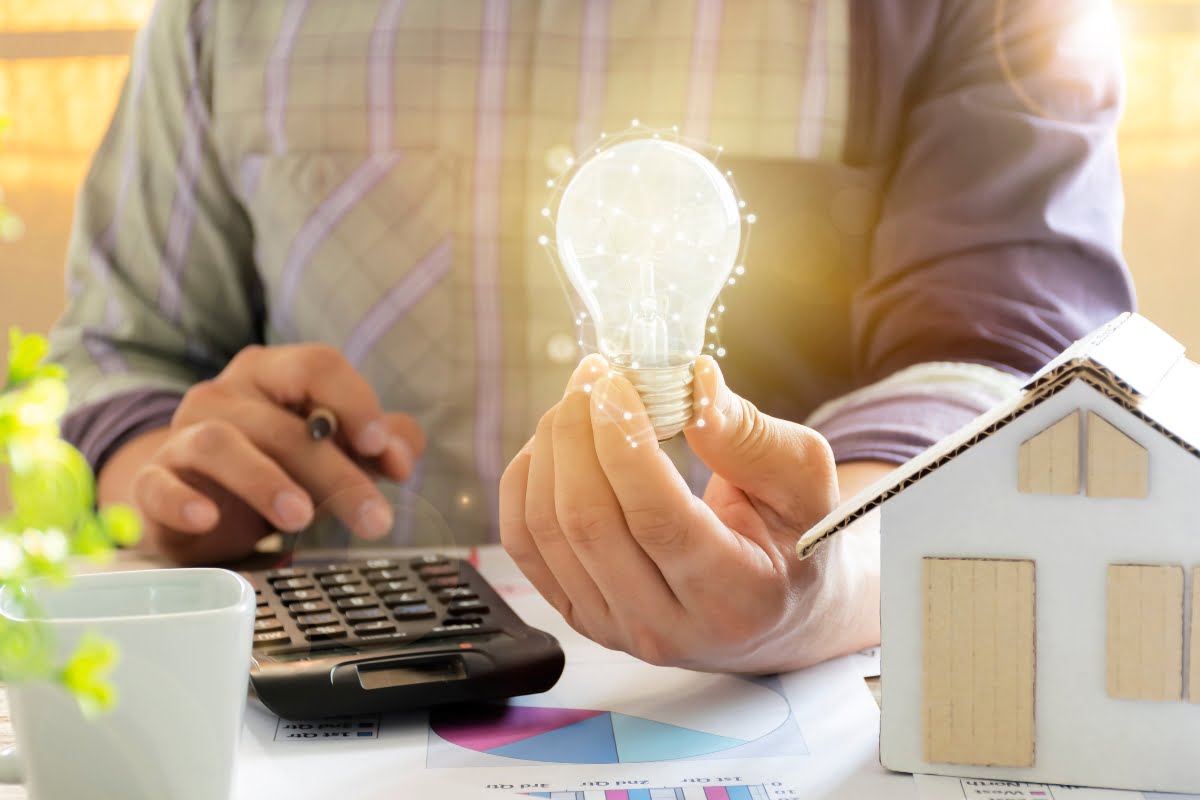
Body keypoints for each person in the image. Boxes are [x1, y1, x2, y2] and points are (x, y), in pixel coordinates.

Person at [51, 0, 1133, 670]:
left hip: (809, 713)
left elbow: (1015, 363)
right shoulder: (221, 16)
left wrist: (823, 571)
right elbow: (122, 358)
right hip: (359, 699)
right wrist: (176, 483)